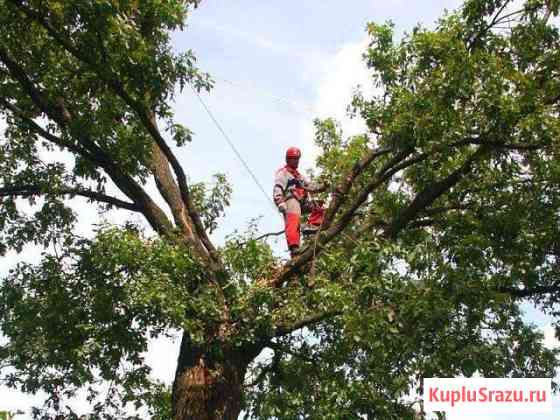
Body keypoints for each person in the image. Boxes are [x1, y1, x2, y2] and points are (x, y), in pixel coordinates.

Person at [273, 147, 326, 257]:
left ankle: (313, 225)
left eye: (297, 158)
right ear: (288, 159)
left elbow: (310, 186)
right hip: (290, 200)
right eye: (294, 159)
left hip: (302, 201)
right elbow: (278, 187)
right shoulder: (283, 173)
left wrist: (322, 186)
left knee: (319, 206)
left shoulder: (299, 176)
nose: (296, 161)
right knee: (293, 220)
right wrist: (279, 201)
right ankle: (294, 247)